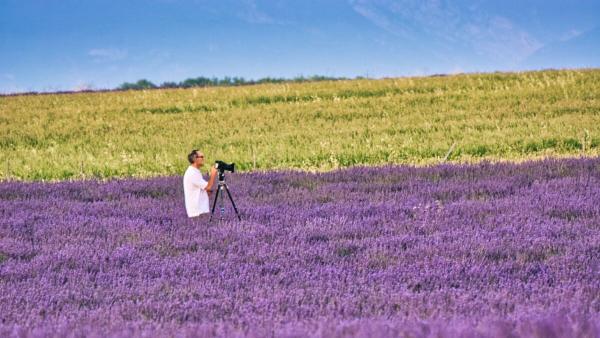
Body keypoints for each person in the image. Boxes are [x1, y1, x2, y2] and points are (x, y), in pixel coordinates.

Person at [183, 149, 217, 218]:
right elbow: (208, 187)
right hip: (196, 211)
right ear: (195, 159)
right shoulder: (192, 173)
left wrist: (207, 191)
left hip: (200, 209)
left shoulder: (195, 171)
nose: (203, 159)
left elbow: (204, 188)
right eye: (201, 157)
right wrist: (213, 174)